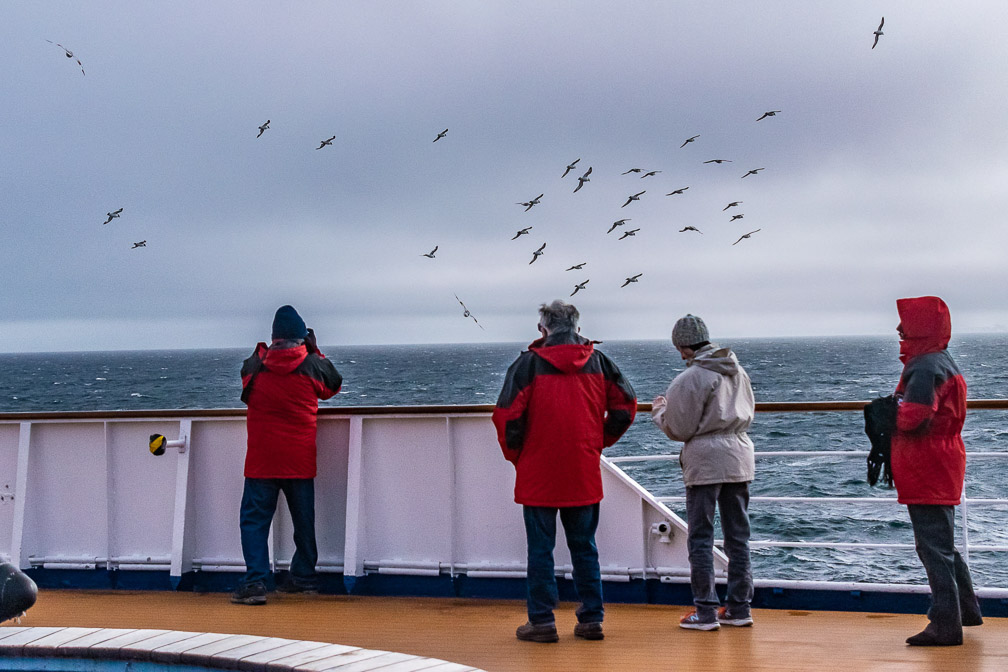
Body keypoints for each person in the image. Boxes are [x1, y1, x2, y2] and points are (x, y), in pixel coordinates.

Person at [492, 300, 637, 643]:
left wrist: (518, 456)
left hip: (538, 472)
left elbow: (507, 416)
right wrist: (599, 441)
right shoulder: (599, 362)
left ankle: (541, 622)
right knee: (584, 547)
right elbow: (625, 406)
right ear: (577, 327)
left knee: (540, 550)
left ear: (543, 329)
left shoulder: (527, 365)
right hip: (582, 469)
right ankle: (591, 620)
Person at [232, 305, 343, 605]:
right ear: (301, 338)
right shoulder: (311, 365)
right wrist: (316, 351)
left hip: (261, 460)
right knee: (303, 521)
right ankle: (304, 577)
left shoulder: (255, 366)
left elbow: (244, 381)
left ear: (274, 337)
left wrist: (262, 351)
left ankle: (255, 582)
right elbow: (333, 385)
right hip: (299, 458)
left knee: (254, 522)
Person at [650, 314, 755, 631]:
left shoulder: (690, 379)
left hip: (706, 462)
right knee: (738, 538)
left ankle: (705, 612)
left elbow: (679, 429)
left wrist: (659, 411)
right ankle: (739, 608)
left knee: (700, 537)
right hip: (739, 457)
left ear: (683, 347)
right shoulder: (738, 372)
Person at [892, 296, 982, 646]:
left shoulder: (925, 365)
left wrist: (888, 414)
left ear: (920, 327)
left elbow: (914, 417)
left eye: (906, 322)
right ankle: (966, 608)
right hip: (943, 457)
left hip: (926, 461)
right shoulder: (941, 360)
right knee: (941, 542)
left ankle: (946, 624)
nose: (899, 328)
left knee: (932, 546)